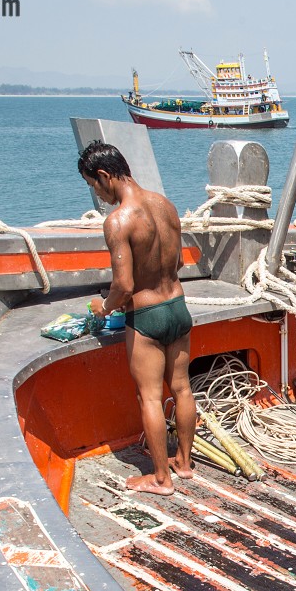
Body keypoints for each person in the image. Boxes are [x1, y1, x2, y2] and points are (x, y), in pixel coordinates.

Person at [79, 141, 197, 496]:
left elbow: (124, 285)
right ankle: (185, 463)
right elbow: (176, 263)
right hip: (178, 306)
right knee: (182, 388)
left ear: (103, 176)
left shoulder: (118, 221)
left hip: (146, 316)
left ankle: (161, 479)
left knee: (149, 397)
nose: (98, 195)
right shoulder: (165, 205)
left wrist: (104, 308)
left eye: (94, 186)